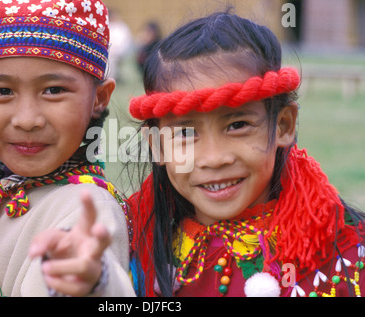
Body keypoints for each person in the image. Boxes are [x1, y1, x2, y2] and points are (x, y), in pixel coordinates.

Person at [127, 11, 365, 297]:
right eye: (186, 133)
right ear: (157, 145)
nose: (214, 158)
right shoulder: (132, 250)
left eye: (237, 125)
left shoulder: (344, 257)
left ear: (283, 125)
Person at [0, 0, 134, 297]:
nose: (27, 120)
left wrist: (91, 281)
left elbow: (87, 275)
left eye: (54, 90)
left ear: (99, 98)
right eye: (2, 91)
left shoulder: (87, 209)